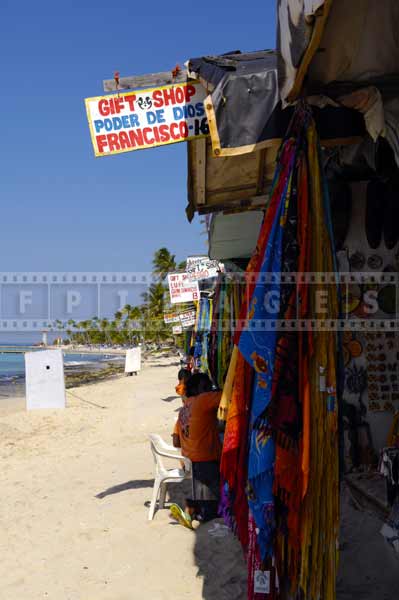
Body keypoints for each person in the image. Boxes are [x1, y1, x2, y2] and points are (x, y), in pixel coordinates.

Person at [170, 373, 221, 529]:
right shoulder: (204, 400)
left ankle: (192, 508)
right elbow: (225, 396)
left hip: (189, 459)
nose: (209, 389)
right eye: (207, 386)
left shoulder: (184, 409)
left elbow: (176, 439)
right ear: (200, 388)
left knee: (203, 491)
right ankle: (197, 511)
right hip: (205, 456)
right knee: (211, 501)